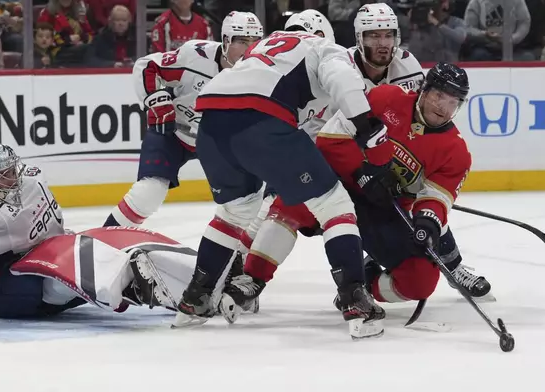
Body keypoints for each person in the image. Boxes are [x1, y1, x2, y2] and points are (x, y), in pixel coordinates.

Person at [174, 10, 399, 340]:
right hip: (261, 121)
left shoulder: (267, 45)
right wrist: (368, 129)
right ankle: (355, 300)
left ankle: (196, 298)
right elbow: (340, 79)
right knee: (335, 206)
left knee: (234, 212)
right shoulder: (328, 50)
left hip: (211, 124)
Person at [238, 63, 483, 312]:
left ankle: (363, 286)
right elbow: (330, 139)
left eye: (453, 101)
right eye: (439, 95)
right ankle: (252, 279)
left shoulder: (456, 152)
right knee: (292, 202)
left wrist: (427, 221)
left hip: (385, 210)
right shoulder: (384, 98)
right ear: (424, 89)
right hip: (340, 186)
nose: (443, 106)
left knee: (420, 280)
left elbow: (436, 196)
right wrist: (361, 172)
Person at [0, 140, 214, 319]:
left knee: (107, 242)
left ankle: (203, 277)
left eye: (13, 169)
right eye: (4, 174)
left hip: (52, 253)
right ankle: (132, 287)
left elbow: (55, 229)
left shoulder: (32, 178)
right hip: (1, 289)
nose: (14, 177)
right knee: (57, 271)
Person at [240, 4, 425, 257]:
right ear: (359, 38)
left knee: (416, 206)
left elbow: (416, 125)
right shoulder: (336, 65)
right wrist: (358, 170)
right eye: (373, 35)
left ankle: (452, 264)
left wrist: (388, 167)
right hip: (325, 153)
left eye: (388, 35)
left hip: (381, 154)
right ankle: (241, 262)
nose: (383, 43)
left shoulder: (407, 66)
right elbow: (320, 133)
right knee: (277, 206)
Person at [103, 11, 263, 228]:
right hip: (173, 133)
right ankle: (105, 242)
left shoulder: (263, 71)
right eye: (243, 41)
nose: (250, 49)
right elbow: (147, 66)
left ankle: (234, 256)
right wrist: (155, 100)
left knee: (245, 205)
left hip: (219, 144)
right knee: (148, 193)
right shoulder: (195, 56)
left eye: (256, 42)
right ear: (225, 40)